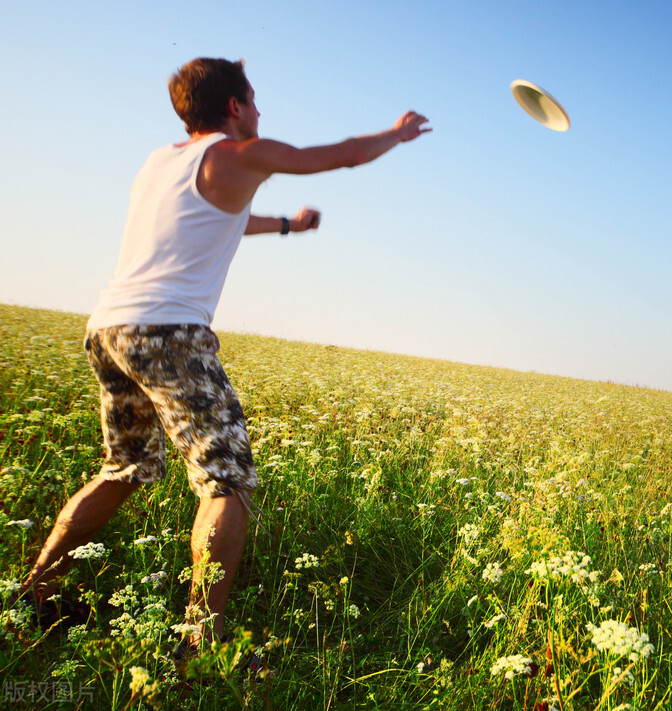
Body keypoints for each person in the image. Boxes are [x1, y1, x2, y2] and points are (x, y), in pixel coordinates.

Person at [17, 58, 430, 652]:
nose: (260, 113)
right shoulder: (237, 155)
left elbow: (223, 219)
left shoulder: (161, 162)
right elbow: (338, 154)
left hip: (108, 328)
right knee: (226, 483)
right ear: (234, 107)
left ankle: (32, 593)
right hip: (169, 335)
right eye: (254, 100)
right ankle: (197, 648)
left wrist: (287, 225)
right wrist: (396, 133)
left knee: (124, 469)